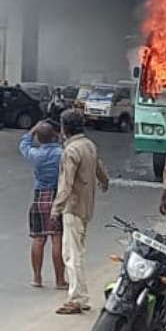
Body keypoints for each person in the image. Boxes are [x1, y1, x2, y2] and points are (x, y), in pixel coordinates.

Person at [51, 110, 110, 315]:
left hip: (73, 207)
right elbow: (99, 168)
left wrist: (55, 208)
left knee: (71, 254)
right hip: (87, 206)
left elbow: (65, 185)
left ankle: (76, 298)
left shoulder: (71, 150)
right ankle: (81, 296)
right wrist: (105, 181)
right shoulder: (89, 145)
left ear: (64, 128)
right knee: (79, 251)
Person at [20, 121, 67, 290]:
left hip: (40, 194)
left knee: (39, 238)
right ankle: (60, 280)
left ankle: (37, 277)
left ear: (39, 138)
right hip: (57, 195)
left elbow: (24, 144)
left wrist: (33, 130)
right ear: (55, 135)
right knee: (57, 238)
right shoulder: (62, 154)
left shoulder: (35, 154)